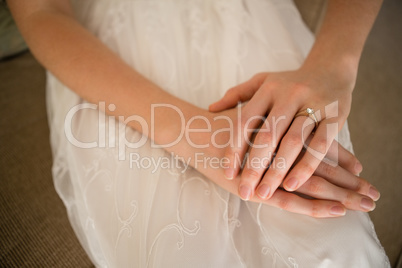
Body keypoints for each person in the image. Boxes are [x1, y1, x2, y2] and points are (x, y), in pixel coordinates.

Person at [10, 0, 389, 266]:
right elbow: (42, 11)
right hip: (115, 66)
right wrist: (193, 131)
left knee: (334, 245)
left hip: (246, 23)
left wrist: (336, 63)